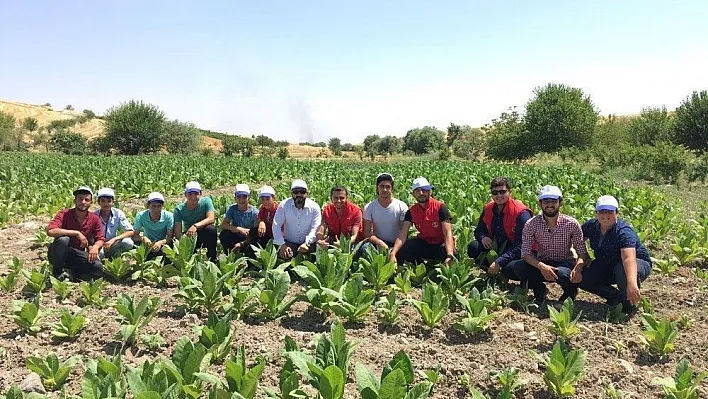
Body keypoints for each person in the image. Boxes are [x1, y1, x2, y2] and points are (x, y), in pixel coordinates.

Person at [511, 185, 588, 304]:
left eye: (554, 201)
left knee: (563, 274)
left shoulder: (572, 224)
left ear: (560, 203)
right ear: (540, 204)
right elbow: (526, 253)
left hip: (565, 263)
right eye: (546, 201)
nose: (550, 205)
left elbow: (582, 252)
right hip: (543, 262)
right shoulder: (531, 224)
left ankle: (570, 292)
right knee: (519, 267)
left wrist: (578, 268)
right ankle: (539, 289)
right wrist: (542, 266)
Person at [578, 195, 652, 313]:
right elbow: (577, 240)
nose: (605, 216)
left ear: (617, 213)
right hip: (606, 263)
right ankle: (615, 297)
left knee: (622, 269)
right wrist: (583, 257)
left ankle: (629, 302)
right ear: (596, 213)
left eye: (610, 212)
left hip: (635, 263)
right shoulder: (591, 226)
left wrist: (632, 284)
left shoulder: (623, 231)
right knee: (581, 276)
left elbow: (628, 258)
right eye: (602, 211)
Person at [467, 177, 532, 280]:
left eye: (502, 192)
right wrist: (483, 237)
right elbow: (479, 230)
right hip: (496, 246)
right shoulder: (488, 208)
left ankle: (521, 281)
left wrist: (500, 261)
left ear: (510, 192)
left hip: (515, 250)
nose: (499, 195)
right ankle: (493, 272)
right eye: (495, 192)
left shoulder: (521, 213)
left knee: (509, 268)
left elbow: (522, 245)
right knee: (473, 247)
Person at [389, 177, 456, 267]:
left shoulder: (440, 207)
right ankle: (404, 268)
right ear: (413, 194)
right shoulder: (411, 211)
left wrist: (449, 254)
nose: (421, 193)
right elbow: (402, 235)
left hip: (441, 244)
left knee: (453, 255)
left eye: (424, 190)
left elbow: (447, 233)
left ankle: (444, 264)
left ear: (429, 192)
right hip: (425, 243)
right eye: (417, 191)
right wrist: (393, 253)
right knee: (404, 248)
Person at [47, 186, 104, 280]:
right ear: (75, 201)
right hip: (58, 253)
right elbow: (50, 231)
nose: (83, 202)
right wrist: (76, 233)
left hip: (75, 253)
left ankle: (73, 272)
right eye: (80, 199)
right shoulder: (64, 214)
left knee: (98, 267)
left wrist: (95, 247)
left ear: (91, 203)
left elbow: (100, 238)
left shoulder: (94, 219)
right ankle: (58, 273)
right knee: (64, 240)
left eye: (86, 200)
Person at [272, 179, 321, 260]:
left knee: (317, 258)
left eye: (302, 192)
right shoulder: (284, 205)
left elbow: (316, 228)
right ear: (291, 193)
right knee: (283, 259)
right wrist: (282, 245)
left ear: (307, 193)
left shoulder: (315, 207)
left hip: (309, 243)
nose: (299, 194)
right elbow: (276, 225)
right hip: (289, 243)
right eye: (296, 192)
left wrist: (307, 243)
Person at [361, 173, 409, 254]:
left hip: (397, 243)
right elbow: (367, 233)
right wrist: (380, 243)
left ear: (392, 189)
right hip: (378, 243)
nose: (385, 190)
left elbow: (403, 232)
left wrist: (394, 249)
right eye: (381, 186)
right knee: (365, 248)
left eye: (388, 187)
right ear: (377, 188)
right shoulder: (369, 207)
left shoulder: (402, 206)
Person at [173, 181, 217, 262]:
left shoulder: (206, 201)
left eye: (196, 194)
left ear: (200, 194)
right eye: (190, 194)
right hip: (190, 235)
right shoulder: (179, 209)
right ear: (185, 195)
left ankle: (212, 259)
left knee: (211, 230)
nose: (193, 197)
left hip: (203, 232)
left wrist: (195, 226)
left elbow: (211, 218)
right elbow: (178, 233)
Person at [219, 184, 259, 257]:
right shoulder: (232, 209)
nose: (241, 199)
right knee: (224, 234)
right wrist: (240, 229)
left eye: (244, 197)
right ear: (235, 198)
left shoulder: (255, 212)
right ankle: (229, 255)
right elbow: (224, 225)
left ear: (249, 198)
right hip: (237, 235)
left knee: (253, 245)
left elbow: (255, 234)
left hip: (248, 239)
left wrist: (242, 243)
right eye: (239, 197)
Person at [94, 187, 134, 260]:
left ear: (113, 202)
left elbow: (130, 231)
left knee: (128, 243)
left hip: (112, 243)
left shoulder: (118, 213)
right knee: (101, 254)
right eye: (103, 201)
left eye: (109, 201)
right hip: (99, 244)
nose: (106, 204)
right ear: (99, 202)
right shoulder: (94, 215)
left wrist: (114, 240)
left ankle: (115, 258)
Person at [132, 192, 174, 261]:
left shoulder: (169, 216)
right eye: (153, 206)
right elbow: (134, 236)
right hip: (147, 243)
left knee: (166, 252)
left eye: (159, 206)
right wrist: (144, 238)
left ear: (162, 206)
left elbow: (169, 237)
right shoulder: (141, 216)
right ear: (148, 206)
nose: (156, 209)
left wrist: (160, 243)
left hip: (162, 243)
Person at [250, 185, 279, 251]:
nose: (265, 202)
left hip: (277, 237)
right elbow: (259, 218)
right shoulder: (263, 208)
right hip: (267, 235)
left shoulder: (279, 209)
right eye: (263, 199)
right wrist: (261, 222)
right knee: (253, 231)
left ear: (274, 198)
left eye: (268, 199)